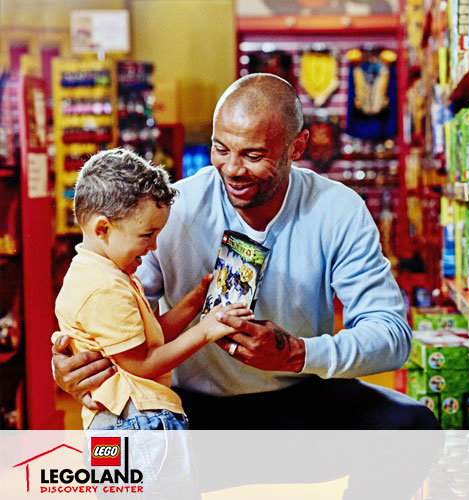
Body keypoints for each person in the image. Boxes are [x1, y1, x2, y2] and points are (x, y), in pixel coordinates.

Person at [52, 73, 439, 430]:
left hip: (302, 395)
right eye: (221, 149)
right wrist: (70, 365)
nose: (232, 169)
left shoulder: (337, 209)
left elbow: (391, 337)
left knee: (412, 426)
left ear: (297, 146)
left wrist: (297, 354)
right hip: (190, 407)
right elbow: (113, 311)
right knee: (121, 462)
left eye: (254, 155)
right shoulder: (165, 212)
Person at [55, 148, 252, 431]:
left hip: (134, 416)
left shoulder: (106, 273)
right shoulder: (103, 288)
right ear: (103, 228)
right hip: (136, 418)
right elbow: (144, 363)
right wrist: (205, 331)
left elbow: (150, 342)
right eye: (147, 235)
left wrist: (195, 301)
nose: (154, 247)